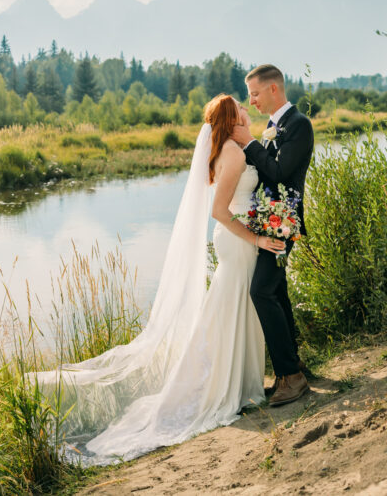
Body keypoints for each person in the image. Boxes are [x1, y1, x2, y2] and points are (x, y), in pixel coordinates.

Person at [30, 94, 285, 464]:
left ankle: (243, 384)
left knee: (235, 306)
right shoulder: (232, 153)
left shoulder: (235, 146)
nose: (248, 112)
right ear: (230, 120)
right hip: (238, 238)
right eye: (241, 111)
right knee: (231, 306)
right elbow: (219, 211)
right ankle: (224, 388)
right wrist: (259, 237)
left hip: (240, 237)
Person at [231, 63, 314, 407]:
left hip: (284, 221)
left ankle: (291, 378)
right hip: (268, 220)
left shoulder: (299, 125)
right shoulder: (272, 126)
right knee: (276, 291)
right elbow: (267, 176)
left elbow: (279, 172)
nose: (251, 102)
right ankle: (291, 368)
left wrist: (250, 143)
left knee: (261, 290)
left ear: (274, 89)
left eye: (254, 93)